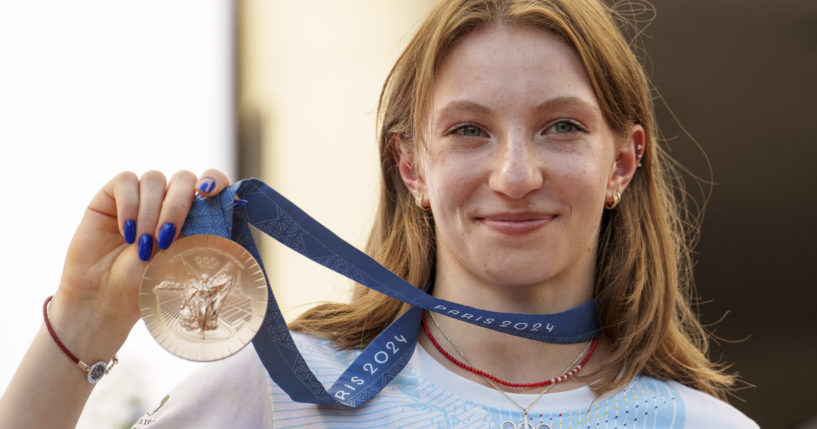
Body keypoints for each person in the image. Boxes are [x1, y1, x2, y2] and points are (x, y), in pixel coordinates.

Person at [0, 0, 758, 427]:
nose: (516, 175)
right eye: (468, 129)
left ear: (621, 163)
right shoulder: (274, 397)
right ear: (411, 165)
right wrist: (84, 322)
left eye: (561, 126)